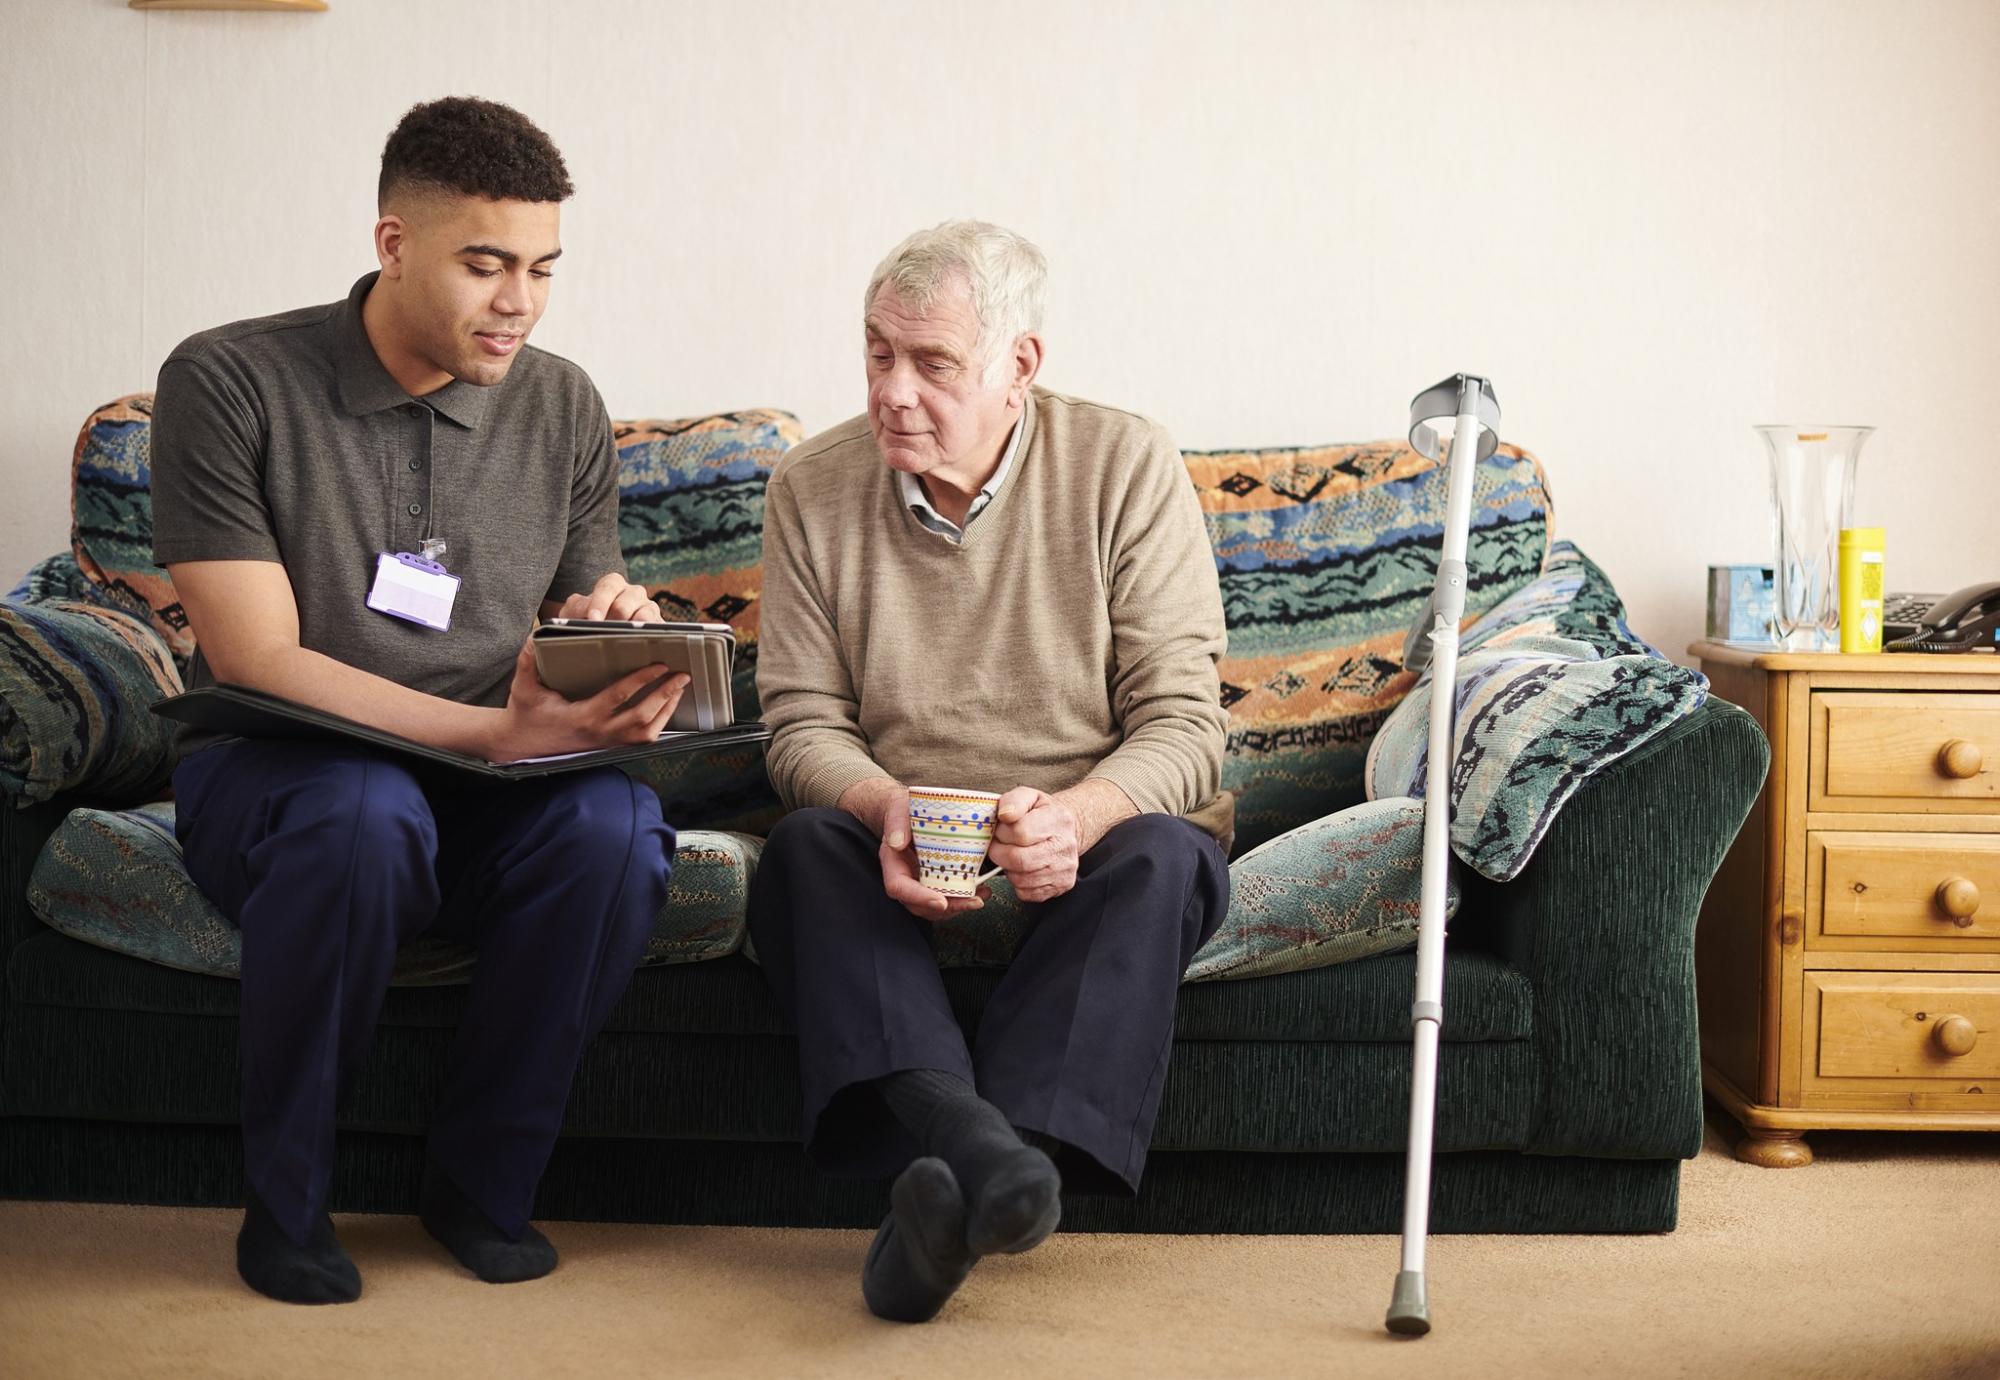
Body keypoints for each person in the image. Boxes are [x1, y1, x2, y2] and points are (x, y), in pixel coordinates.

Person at [150, 96, 684, 1305]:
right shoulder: (229, 379)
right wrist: (494, 733)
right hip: (286, 773)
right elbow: (256, 658)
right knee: (362, 813)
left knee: (615, 833)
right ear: (393, 243)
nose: (520, 303)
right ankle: (286, 1210)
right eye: (485, 264)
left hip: (490, 777)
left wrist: (611, 634)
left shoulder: (560, 403)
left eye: (543, 268)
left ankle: (479, 1186)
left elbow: (563, 620)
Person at [747, 220, 1233, 1322]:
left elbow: (1185, 725)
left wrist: (1078, 814)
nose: (892, 392)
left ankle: (961, 1173)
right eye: (877, 354)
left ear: (1019, 367)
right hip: (898, 845)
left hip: (1092, 841)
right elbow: (799, 726)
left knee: (1166, 854)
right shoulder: (812, 487)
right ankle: (990, 1159)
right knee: (801, 848)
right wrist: (882, 804)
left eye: (932, 364)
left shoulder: (1123, 463)